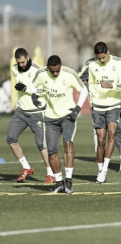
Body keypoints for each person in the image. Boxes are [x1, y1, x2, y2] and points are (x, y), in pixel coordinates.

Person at [30, 55, 88, 193]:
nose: (55, 73)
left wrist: (78, 108)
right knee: (51, 152)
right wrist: (33, 96)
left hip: (68, 115)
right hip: (50, 118)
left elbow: (84, 89)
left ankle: (68, 182)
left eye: (57, 70)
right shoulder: (41, 74)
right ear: (48, 68)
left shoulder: (69, 74)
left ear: (60, 65)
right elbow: (32, 85)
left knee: (68, 143)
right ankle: (59, 182)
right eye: (52, 71)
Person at [7, 48, 55, 184]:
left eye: (23, 62)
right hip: (21, 111)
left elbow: (45, 90)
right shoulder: (14, 68)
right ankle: (26, 167)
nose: (21, 65)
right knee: (11, 139)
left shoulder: (38, 70)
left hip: (37, 112)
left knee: (41, 144)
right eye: (19, 62)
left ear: (27, 57)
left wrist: (26, 89)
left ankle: (50, 174)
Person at [87, 42, 121, 183]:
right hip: (98, 106)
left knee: (112, 134)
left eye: (104, 57)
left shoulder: (120, 63)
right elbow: (91, 85)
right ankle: (100, 168)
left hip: (113, 104)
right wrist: (92, 103)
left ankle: (104, 169)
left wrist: (111, 85)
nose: (102, 60)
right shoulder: (92, 65)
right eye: (99, 58)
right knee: (100, 140)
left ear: (108, 52)